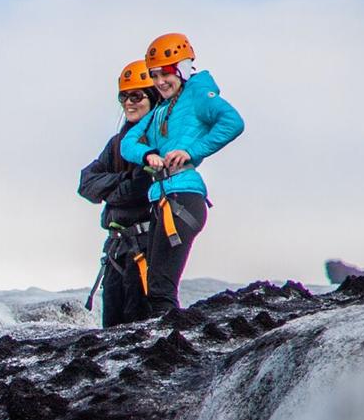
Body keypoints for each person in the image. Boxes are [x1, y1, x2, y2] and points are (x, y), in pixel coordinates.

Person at [120, 32, 245, 316]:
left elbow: (233, 122)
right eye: (154, 76)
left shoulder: (198, 93)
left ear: (183, 69)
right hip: (164, 198)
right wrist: (146, 154)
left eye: (166, 74)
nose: (160, 82)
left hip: (181, 198)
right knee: (154, 286)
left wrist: (191, 151)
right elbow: (128, 142)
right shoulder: (162, 108)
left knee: (160, 287)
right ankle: (164, 344)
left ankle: (170, 347)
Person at [77, 60, 161, 327]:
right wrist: (124, 179)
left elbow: (139, 190)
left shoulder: (158, 140)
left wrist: (110, 186)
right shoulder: (116, 144)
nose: (128, 103)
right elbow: (85, 183)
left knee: (142, 325)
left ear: (153, 97)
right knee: (112, 328)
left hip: (146, 247)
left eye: (136, 95)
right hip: (116, 250)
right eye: (123, 96)